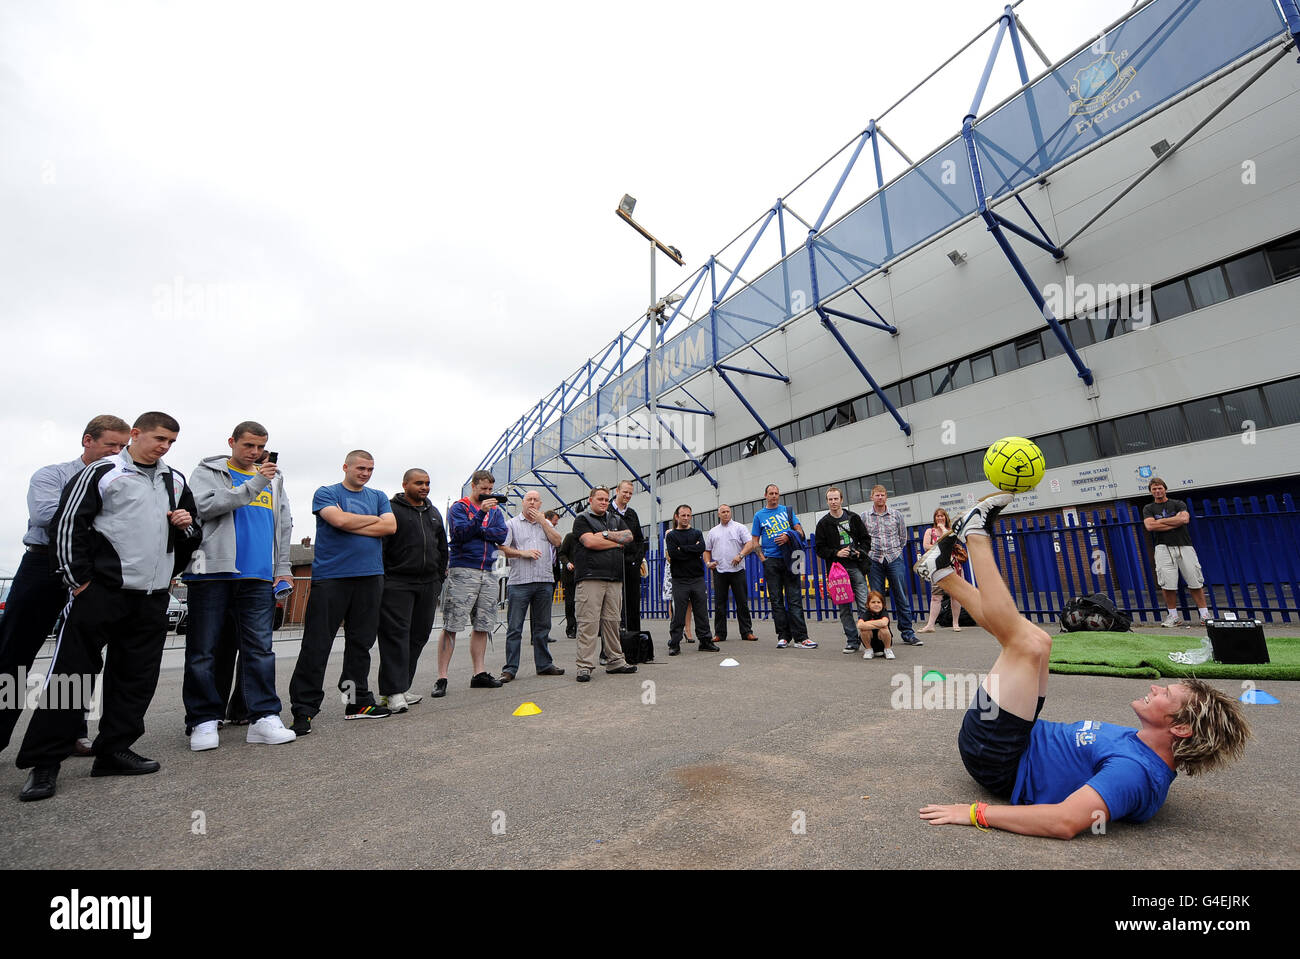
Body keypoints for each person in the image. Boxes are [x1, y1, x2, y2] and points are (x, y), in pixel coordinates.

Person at [914, 492, 1250, 838]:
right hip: (1017, 735)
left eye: (1165, 692)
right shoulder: (1142, 747)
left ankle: (976, 535)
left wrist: (976, 813)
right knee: (1040, 643)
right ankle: (943, 574)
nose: (1154, 687)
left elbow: (1064, 821)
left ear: (1180, 728)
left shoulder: (1134, 773)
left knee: (1024, 646)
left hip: (996, 756)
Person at [15, 412, 202, 802]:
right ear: (136, 434)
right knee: (72, 676)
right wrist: (78, 582)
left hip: (150, 596)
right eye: (158, 438)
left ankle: (114, 751)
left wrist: (185, 526)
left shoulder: (176, 479)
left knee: (135, 677)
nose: (164, 446)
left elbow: (191, 532)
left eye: (171, 441)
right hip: (100, 592)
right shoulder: (103, 471)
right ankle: (44, 762)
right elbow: (68, 525)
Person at [0, 414, 131, 757]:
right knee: (14, 654)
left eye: (122, 447)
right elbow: (45, 514)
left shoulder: (122, 479)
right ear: (87, 440)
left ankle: (69, 732)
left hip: (90, 568)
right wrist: (97, 510)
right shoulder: (52, 475)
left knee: (79, 656)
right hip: (43, 564)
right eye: (109, 445)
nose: (116, 453)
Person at [182, 421, 297, 752]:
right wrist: (256, 483)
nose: (256, 453)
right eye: (249, 446)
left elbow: (284, 523)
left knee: (260, 649)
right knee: (204, 649)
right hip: (213, 572)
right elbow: (204, 507)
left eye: (261, 447)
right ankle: (203, 719)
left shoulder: (275, 480)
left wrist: (283, 568)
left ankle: (263, 717)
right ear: (232, 442)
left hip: (258, 575)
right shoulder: (208, 471)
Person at [288, 450, 397, 734]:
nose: (365, 473)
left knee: (360, 644)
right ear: (346, 467)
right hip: (332, 579)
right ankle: (304, 709)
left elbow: (391, 526)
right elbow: (339, 522)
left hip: (370, 578)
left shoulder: (378, 496)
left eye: (370, 469)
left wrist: (352, 521)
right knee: (317, 644)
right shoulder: (326, 492)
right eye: (360, 468)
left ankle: (355, 702)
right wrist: (371, 522)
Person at [377, 468, 447, 713]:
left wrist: (438, 579)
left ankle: (402, 686)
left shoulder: (433, 512)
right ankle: (392, 691)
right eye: (419, 483)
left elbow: (442, 548)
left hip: (428, 585)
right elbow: (381, 546)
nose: (424, 487)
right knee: (395, 637)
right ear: (405, 484)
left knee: (418, 636)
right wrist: (385, 579)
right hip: (397, 583)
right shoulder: (390, 510)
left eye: (427, 483)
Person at [432, 470, 508, 697]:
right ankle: (442, 677)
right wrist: (480, 521)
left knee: (483, 624)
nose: (487, 494)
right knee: (452, 624)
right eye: (483, 489)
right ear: (473, 486)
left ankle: (479, 673)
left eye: (490, 490)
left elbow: (502, 535)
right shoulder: (460, 507)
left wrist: (482, 529)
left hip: (489, 570)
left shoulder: (495, 509)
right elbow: (459, 534)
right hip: (464, 568)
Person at [570, 486, 638, 683]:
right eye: (600, 498)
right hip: (591, 577)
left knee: (612, 622)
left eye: (606, 499)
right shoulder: (582, 519)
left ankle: (615, 660)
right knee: (588, 623)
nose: (604, 502)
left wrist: (607, 536)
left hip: (614, 579)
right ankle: (584, 666)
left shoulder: (615, 519)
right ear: (590, 500)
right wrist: (617, 542)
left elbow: (629, 537)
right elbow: (590, 543)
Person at [496, 490, 565, 681]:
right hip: (520, 583)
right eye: (529, 500)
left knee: (542, 627)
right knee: (515, 628)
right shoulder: (512, 524)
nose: (532, 503)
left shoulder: (546, 523)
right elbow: (502, 548)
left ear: (540, 504)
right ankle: (510, 668)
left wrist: (544, 522)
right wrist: (522, 553)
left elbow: (558, 541)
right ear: (523, 503)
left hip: (544, 581)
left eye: (536, 500)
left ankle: (544, 664)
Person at [740, 484, 814, 649]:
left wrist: (788, 535)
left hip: (793, 558)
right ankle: (783, 637)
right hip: (771, 560)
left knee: (794, 598)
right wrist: (763, 559)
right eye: (771, 493)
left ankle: (802, 638)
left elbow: (800, 532)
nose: (774, 496)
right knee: (776, 600)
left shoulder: (787, 511)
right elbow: (754, 541)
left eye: (776, 493)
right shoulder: (759, 515)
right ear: (765, 495)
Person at [1142, 478, 1211, 627]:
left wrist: (1160, 522)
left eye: (1159, 488)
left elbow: (1184, 519)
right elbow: (1149, 526)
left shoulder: (1178, 503)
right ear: (1150, 491)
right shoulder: (1148, 508)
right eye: (1154, 489)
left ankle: (1205, 614)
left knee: (1194, 579)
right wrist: (1174, 522)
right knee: (1167, 584)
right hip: (1162, 548)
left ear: (1165, 489)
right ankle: (1173, 616)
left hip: (1184, 545)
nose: (1157, 491)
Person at [814, 487, 872, 654]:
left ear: (841, 500)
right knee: (844, 608)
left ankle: (868, 640)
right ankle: (852, 641)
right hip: (837, 571)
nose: (833, 502)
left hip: (856, 567)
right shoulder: (823, 523)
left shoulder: (853, 518)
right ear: (827, 502)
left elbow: (866, 540)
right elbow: (819, 548)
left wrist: (859, 552)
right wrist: (836, 553)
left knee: (863, 605)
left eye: (836, 499)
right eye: (830, 499)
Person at [863, 484, 918, 646]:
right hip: (874, 560)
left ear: (886, 497)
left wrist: (895, 552)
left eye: (882, 495)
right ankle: (880, 633)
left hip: (894, 558)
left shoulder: (897, 515)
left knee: (901, 595)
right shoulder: (864, 516)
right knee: (876, 599)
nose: (880, 498)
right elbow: (861, 538)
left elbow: (902, 538)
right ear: (871, 497)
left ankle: (908, 632)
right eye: (877, 495)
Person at [665, 505, 719, 655]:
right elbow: (674, 555)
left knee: (701, 611)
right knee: (679, 614)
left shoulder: (697, 533)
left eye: (688, 515)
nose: (686, 518)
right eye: (683, 515)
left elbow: (701, 548)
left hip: (697, 578)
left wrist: (682, 548)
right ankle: (674, 643)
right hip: (679, 580)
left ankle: (705, 641)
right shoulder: (671, 536)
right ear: (677, 516)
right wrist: (690, 550)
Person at [704, 504, 757, 642]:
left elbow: (750, 544)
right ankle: (720, 634)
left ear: (730, 513)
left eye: (728, 511)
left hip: (737, 571)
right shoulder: (713, 531)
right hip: (719, 571)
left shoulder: (739, 528)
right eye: (723, 512)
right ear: (719, 514)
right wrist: (708, 563)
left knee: (742, 603)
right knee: (720, 604)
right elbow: (707, 550)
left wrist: (740, 555)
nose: (726, 514)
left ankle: (747, 632)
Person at [919, 508, 962, 634]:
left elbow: (952, 543)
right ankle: (930, 625)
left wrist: (943, 529)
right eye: (937, 516)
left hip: (953, 566)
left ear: (946, 517)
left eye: (942, 516)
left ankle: (955, 623)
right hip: (936, 567)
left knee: (956, 596)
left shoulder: (950, 531)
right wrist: (942, 547)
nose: (939, 518)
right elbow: (926, 546)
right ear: (934, 518)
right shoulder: (929, 531)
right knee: (936, 596)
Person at [611, 480, 646, 633]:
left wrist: (636, 561)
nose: (627, 495)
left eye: (630, 493)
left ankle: (634, 636)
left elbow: (639, 540)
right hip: (613, 565)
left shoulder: (632, 514)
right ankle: (614, 640)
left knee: (632, 603)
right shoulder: (607, 513)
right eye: (625, 492)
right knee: (614, 604)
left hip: (631, 566)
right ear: (617, 490)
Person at [856, 590, 894, 660]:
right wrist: (878, 624)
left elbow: (884, 623)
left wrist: (867, 624)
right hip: (871, 641)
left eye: (879, 602)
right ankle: (869, 650)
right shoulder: (867, 613)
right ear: (868, 604)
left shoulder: (884, 612)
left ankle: (887, 649)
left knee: (884, 629)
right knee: (863, 630)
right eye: (873, 602)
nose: (876, 604)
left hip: (883, 642)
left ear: (882, 604)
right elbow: (859, 625)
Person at [557, 524, 579, 639]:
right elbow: (562, 553)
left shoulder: (589, 537)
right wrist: (567, 563)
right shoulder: (570, 537)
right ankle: (571, 628)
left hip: (584, 576)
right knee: (570, 604)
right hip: (570, 576)